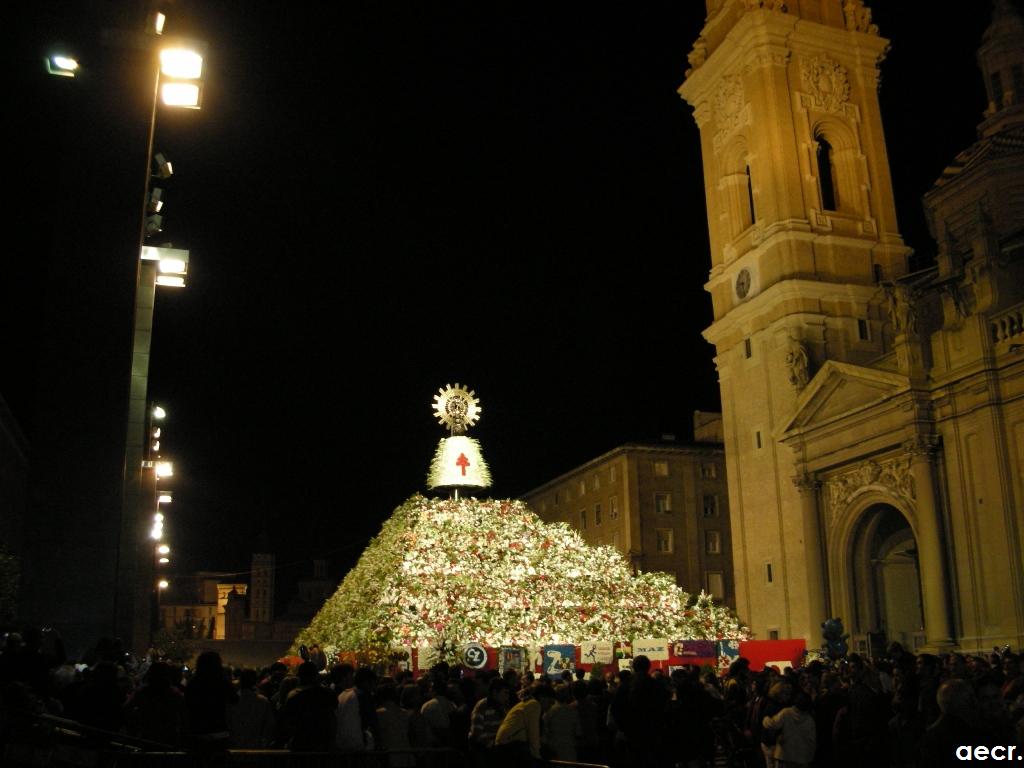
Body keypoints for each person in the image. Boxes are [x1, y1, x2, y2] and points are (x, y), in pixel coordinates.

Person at [122, 661, 188, 747]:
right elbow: (185, 717)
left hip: (146, 736)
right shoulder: (175, 695)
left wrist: (133, 728)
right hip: (168, 739)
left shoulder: (142, 692)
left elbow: (125, 710)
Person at [183, 650, 237, 752]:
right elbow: (234, 700)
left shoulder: (193, 683)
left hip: (197, 731)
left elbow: (187, 704)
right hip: (219, 730)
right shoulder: (222, 682)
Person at [278, 661, 337, 751]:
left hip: (301, 743)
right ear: (316, 675)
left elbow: (288, 722)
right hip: (323, 743)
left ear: (300, 677)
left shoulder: (294, 696)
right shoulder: (327, 694)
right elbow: (333, 717)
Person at [493, 681, 556, 766]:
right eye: (550, 702)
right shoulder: (535, 705)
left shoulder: (527, 703)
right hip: (509, 747)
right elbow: (533, 733)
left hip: (504, 745)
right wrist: (537, 757)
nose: (550, 706)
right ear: (542, 697)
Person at [762, 689, 816, 768]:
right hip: (801, 758)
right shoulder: (810, 720)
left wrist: (766, 719)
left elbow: (772, 724)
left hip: (784, 755)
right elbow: (812, 741)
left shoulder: (786, 713)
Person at [228, 668, 275, 748]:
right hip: (255, 746)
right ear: (255, 682)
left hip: (235, 745)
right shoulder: (263, 701)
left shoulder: (231, 701)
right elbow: (269, 726)